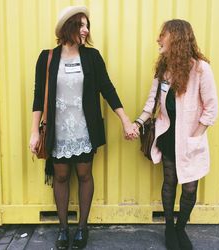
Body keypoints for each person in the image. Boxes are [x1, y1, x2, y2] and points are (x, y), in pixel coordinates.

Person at [29, 6, 136, 250]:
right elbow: (38, 96)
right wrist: (35, 131)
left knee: (85, 175)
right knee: (61, 176)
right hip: (58, 131)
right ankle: (63, 229)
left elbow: (107, 89)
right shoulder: (47, 57)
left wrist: (125, 120)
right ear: (68, 28)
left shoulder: (92, 57)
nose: (86, 30)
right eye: (81, 25)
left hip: (84, 130)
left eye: (87, 25)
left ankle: (82, 228)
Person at [133, 19, 218, 250]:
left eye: (163, 35)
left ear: (177, 39)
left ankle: (181, 228)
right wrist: (137, 123)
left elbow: (211, 108)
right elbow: (152, 101)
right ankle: (169, 227)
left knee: (189, 187)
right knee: (170, 181)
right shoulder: (164, 69)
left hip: (190, 138)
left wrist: (195, 138)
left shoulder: (201, 69)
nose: (158, 39)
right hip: (169, 136)